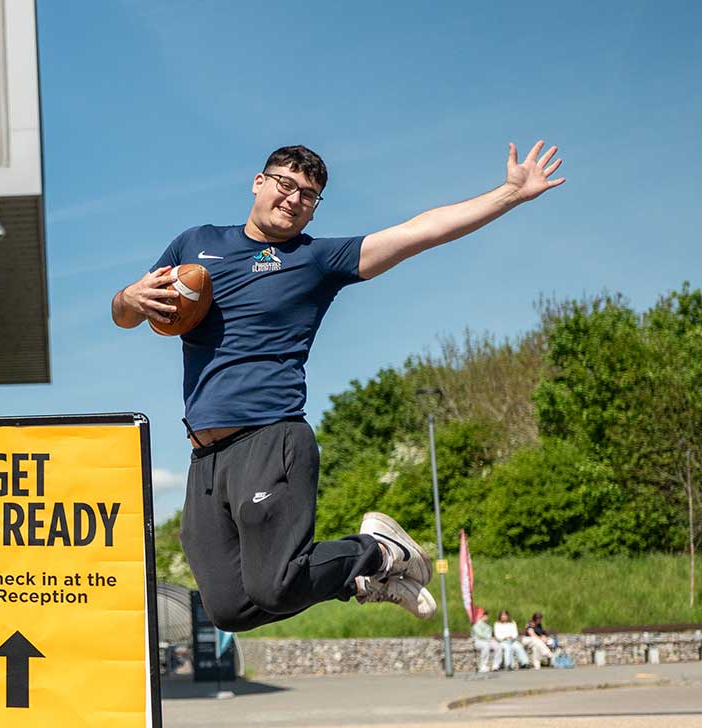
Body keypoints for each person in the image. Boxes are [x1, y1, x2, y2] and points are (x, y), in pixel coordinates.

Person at [113, 141, 566, 632]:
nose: (293, 199)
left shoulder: (315, 260)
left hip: (271, 437)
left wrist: (509, 193)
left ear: (313, 209)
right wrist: (130, 297)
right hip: (204, 456)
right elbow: (124, 315)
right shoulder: (196, 243)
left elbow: (419, 231)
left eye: (308, 195)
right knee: (228, 609)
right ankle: (363, 579)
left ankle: (379, 551)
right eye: (285, 184)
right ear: (259, 183)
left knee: (274, 586)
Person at [471, 606, 504, 674]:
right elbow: (480, 634)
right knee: (486, 646)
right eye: (485, 616)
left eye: (487, 616)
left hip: (488, 640)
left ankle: (496, 665)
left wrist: (491, 638)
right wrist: (489, 637)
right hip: (479, 641)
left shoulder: (487, 624)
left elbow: (490, 633)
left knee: (498, 647)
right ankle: (483, 666)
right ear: (481, 616)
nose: (487, 618)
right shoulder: (476, 624)